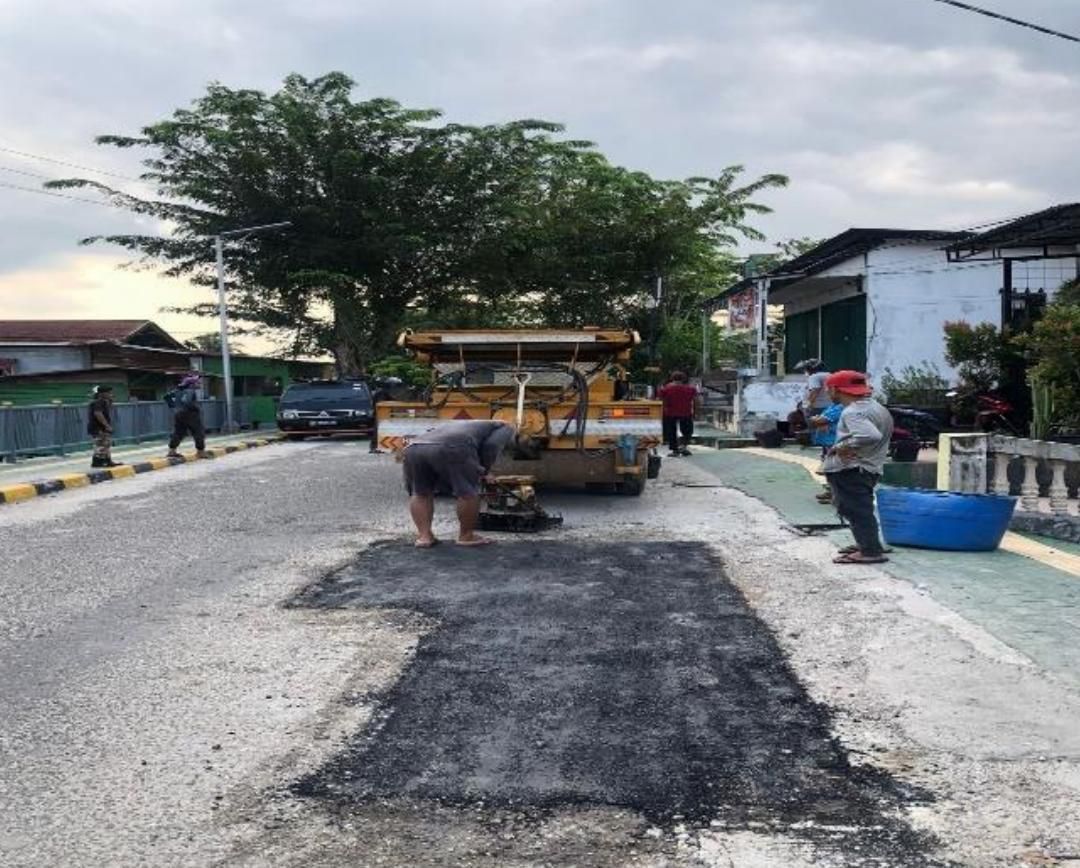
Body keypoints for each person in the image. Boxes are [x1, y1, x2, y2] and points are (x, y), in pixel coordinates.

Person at [402, 419, 518, 548]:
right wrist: (484, 470)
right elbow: (491, 447)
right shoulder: (506, 427)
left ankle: (424, 537)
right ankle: (466, 536)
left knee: (420, 492)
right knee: (467, 491)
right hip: (452, 446)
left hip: (414, 447)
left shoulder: (460, 424)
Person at [822, 370, 894, 565]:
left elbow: (870, 436)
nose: (828, 393)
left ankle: (869, 551)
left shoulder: (853, 411)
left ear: (836, 389)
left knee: (856, 510)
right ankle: (868, 543)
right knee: (861, 508)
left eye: (829, 389)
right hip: (870, 467)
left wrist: (840, 447)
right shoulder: (878, 408)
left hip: (853, 469)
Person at [166, 373, 210, 459]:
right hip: (190, 414)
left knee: (178, 432)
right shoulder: (190, 391)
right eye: (198, 382)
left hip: (179, 414)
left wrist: (174, 406)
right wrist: (196, 407)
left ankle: (172, 451)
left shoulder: (178, 390)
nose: (200, 384)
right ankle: (200, 452)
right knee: (198, 432)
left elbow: (166, 397)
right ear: (192, 384)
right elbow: (187, 401)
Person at [808, 401, 843, 503]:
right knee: (828, 469)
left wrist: (818, 420)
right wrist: (818, 420)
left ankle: (836, 495)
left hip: (834, 442)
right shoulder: (832, 406)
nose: (828, 391)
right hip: (827, 441)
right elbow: (817, 419)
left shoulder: (840, 407)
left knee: (835, 469)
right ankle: (831, 491)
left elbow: (820, 420)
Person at [658, 371, 699, 457]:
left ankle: (675, 450)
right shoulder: (690, 389)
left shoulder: (666, 389)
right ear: (683, 379)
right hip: (686, 412)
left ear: (672, 378)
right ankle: (683, 447)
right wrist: (696, 412)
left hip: (670, 413)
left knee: (671, 432)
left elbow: (660, 401)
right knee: (687, 431)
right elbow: (696, 401)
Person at [87, 385, 122, 468]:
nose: (111, 394)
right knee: (101, 445)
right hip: (98, 427)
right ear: (102, 394)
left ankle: (108, 461)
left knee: (106, 444)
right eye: (109, 393)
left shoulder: (104, 402)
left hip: (101, 427)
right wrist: (107, 425)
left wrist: (110, 401)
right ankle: (97, 462)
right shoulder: (98, 402)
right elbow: (98, 413)